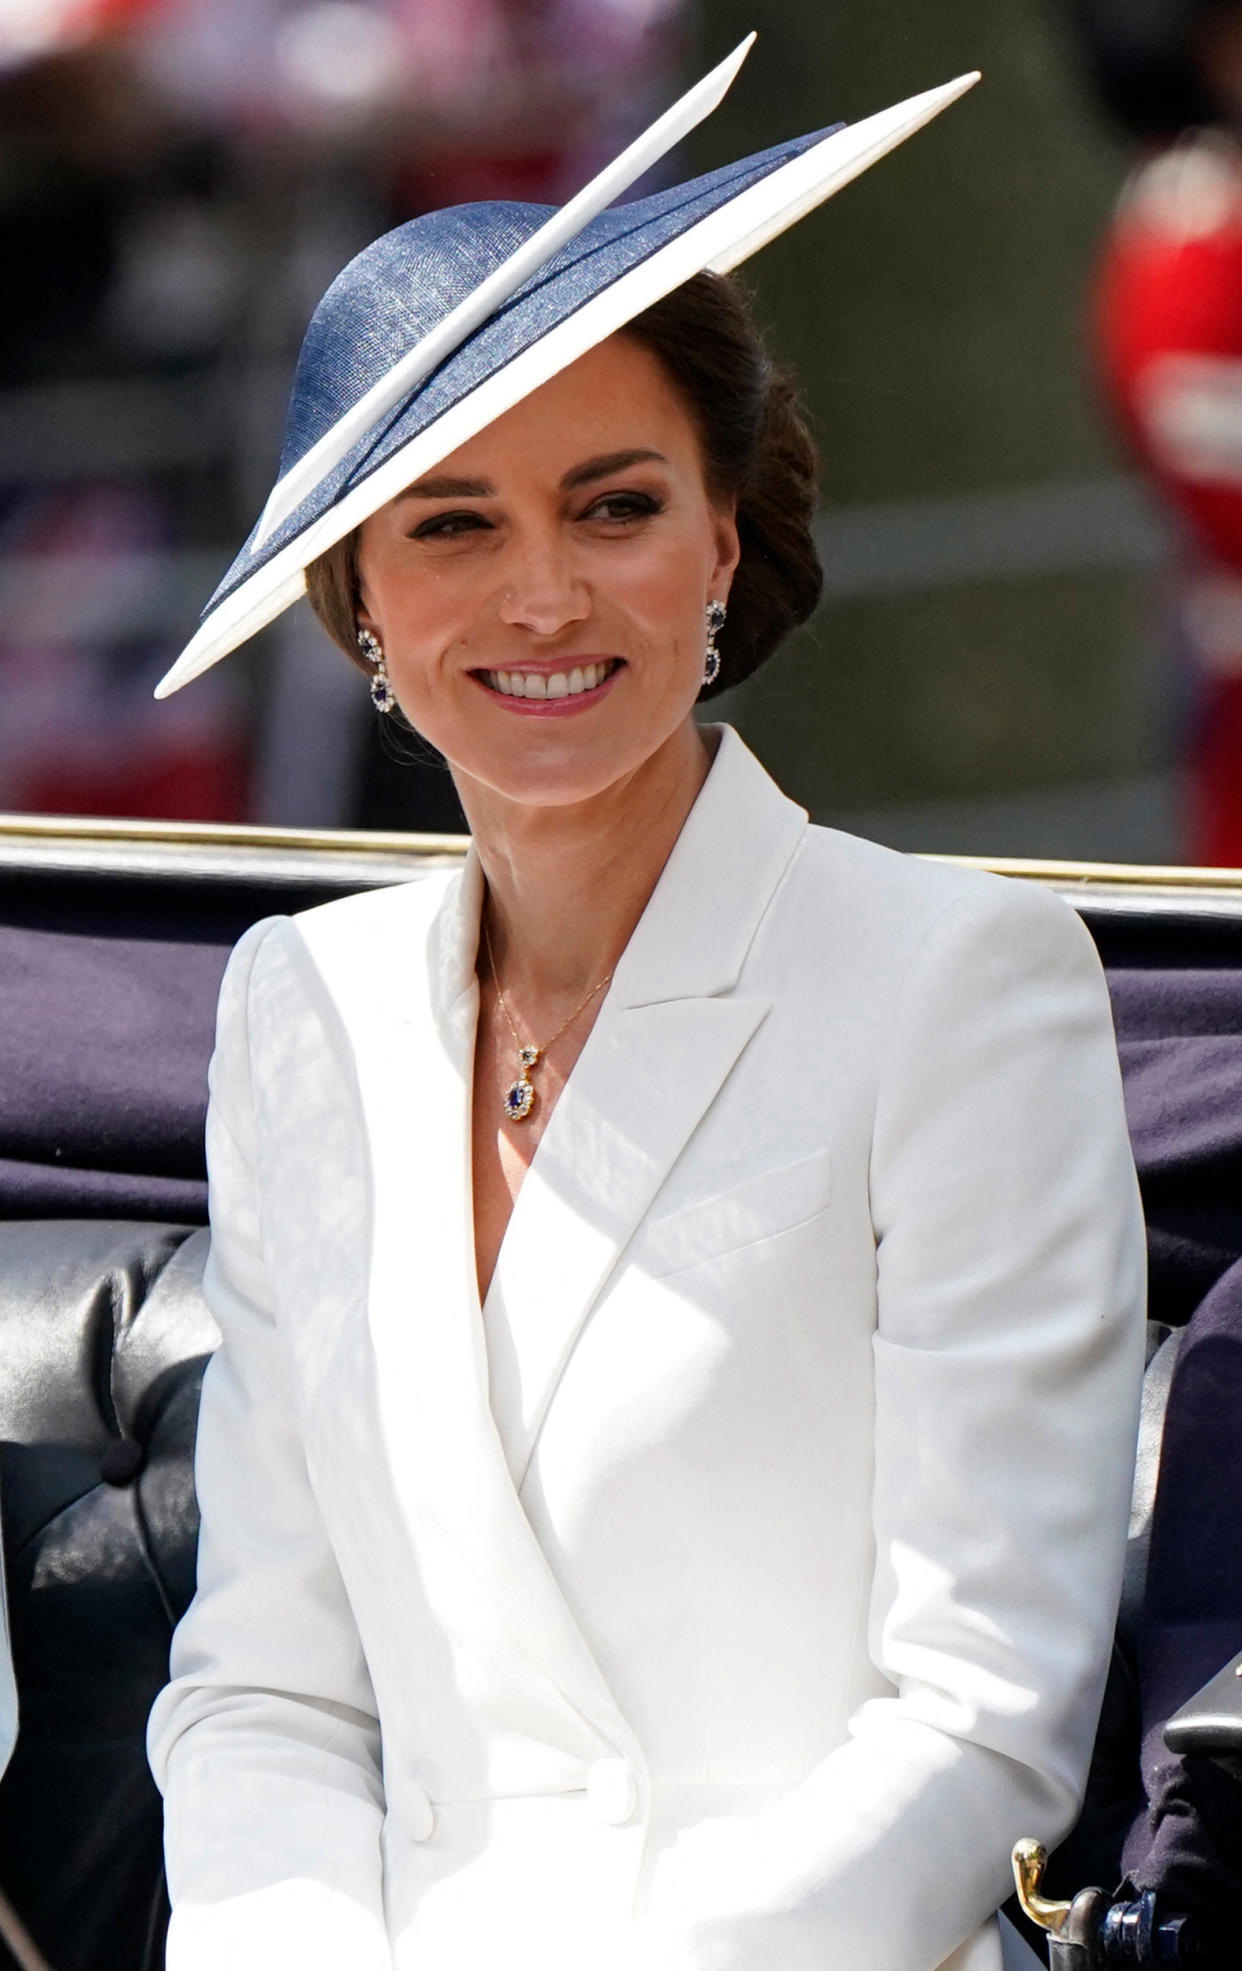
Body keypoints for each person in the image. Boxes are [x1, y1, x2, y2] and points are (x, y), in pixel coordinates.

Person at [145, 45, 1146, 1971]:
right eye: (447, 526)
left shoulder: (956, 981)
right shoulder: (300, 1006)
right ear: (356, 599)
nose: (540, 598)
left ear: (718, 545)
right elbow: (264, 1691)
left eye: (612, 507)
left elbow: (977, 1717)